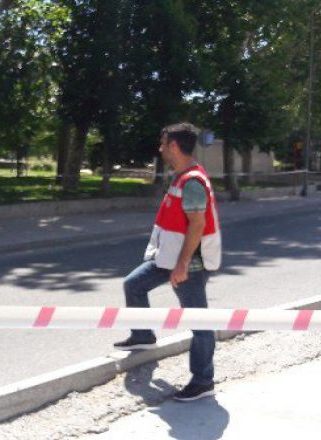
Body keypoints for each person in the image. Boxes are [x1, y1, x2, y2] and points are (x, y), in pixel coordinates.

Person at [113, 122, 222, 401]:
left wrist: (183, 265)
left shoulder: (193, 182)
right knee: (133, 285)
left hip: (189, 264)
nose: (160, 149)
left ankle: (203, 381)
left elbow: (197, 226)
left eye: (163, 144)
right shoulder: (182, 176)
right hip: (167, 258)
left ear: (174, 146)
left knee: (199, 323)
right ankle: (143, 335)